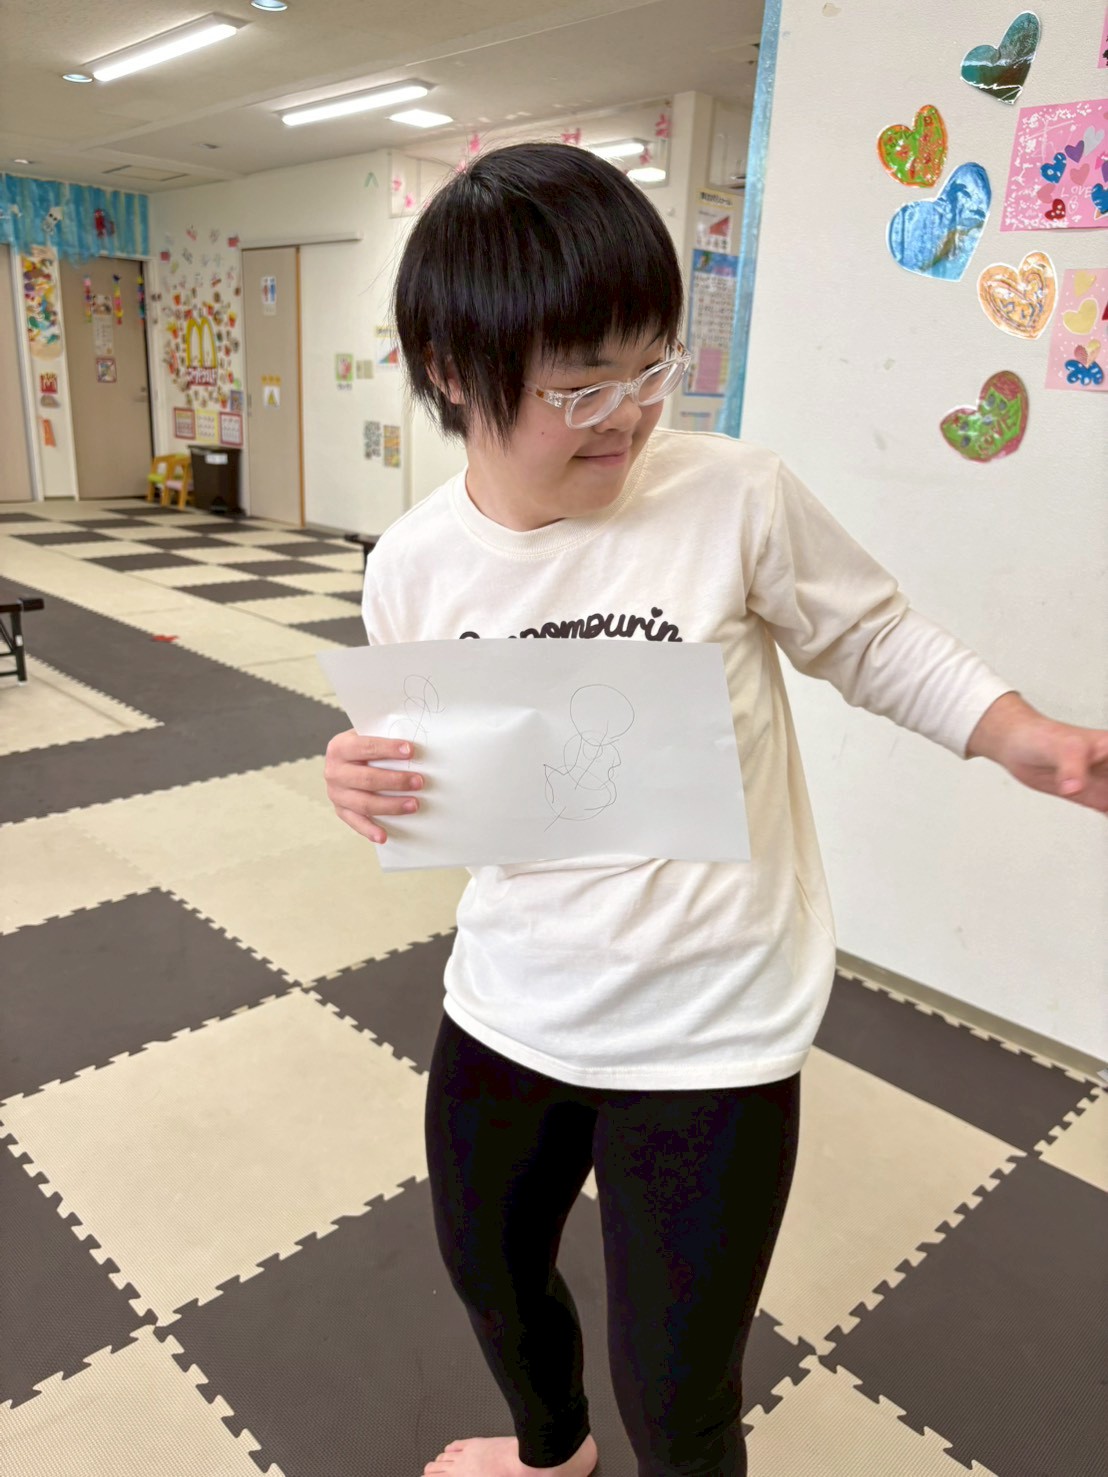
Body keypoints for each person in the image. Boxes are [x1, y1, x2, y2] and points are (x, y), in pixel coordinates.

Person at [323, 142, 1108, 1477]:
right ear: (452, 370)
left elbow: (872, 639)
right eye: (582, 386)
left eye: (652, 369)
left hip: (711, 1031)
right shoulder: (411, 564)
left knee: (679, 1391)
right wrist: (360, 773)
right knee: (488, 1271)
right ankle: (550, 1451)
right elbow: (436, 759)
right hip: (511, 997)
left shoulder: (731, 495)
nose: (629, 416)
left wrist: (1019, 734)